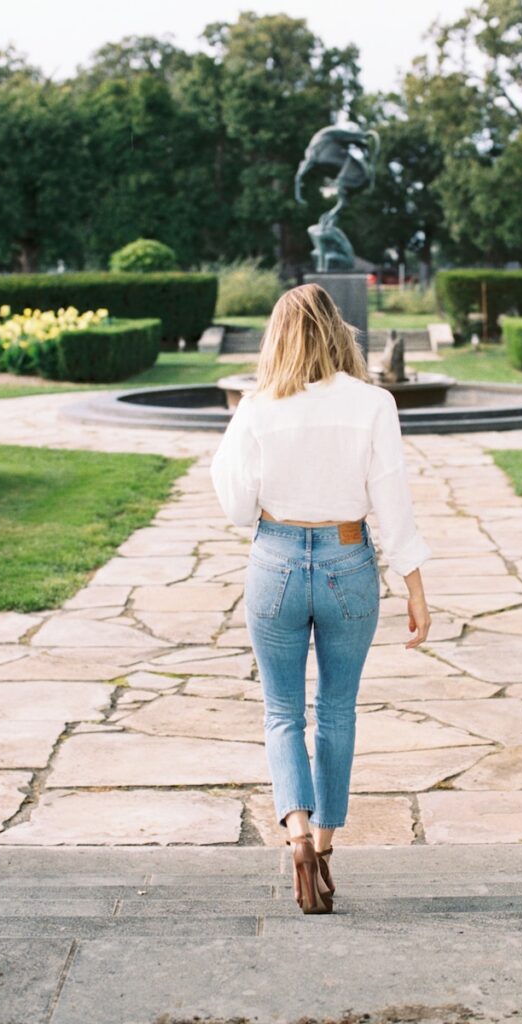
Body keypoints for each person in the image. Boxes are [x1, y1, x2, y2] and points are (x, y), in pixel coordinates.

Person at [210, 283, 432, 915]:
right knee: (336, 711)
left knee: (282, 712)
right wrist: (415, 589)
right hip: (348, 561)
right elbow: (394, 507)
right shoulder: (374, 403)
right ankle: (326, 850)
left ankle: (297, 832)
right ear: (339, 331)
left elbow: (235, 505)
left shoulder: (256, 407)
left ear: (277, 337)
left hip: (275, 560)